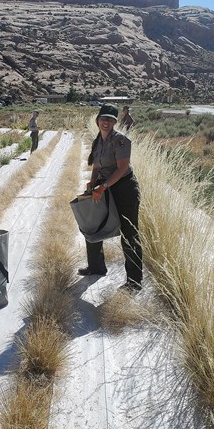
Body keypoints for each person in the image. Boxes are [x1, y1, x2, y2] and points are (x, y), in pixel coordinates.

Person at [79, 104, 143, 290]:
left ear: (115, 122)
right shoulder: (98, 140)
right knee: (92, 224)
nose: (105, 122)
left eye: (110, 119)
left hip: (124, 189)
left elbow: (122, 168)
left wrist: (103, 186)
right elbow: (97, 166)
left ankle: (134, 281)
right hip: (105, 187)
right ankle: (96, 267)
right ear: (97, 120)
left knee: (129, 233)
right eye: (103, 118)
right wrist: (93, 183)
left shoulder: (121, 140)